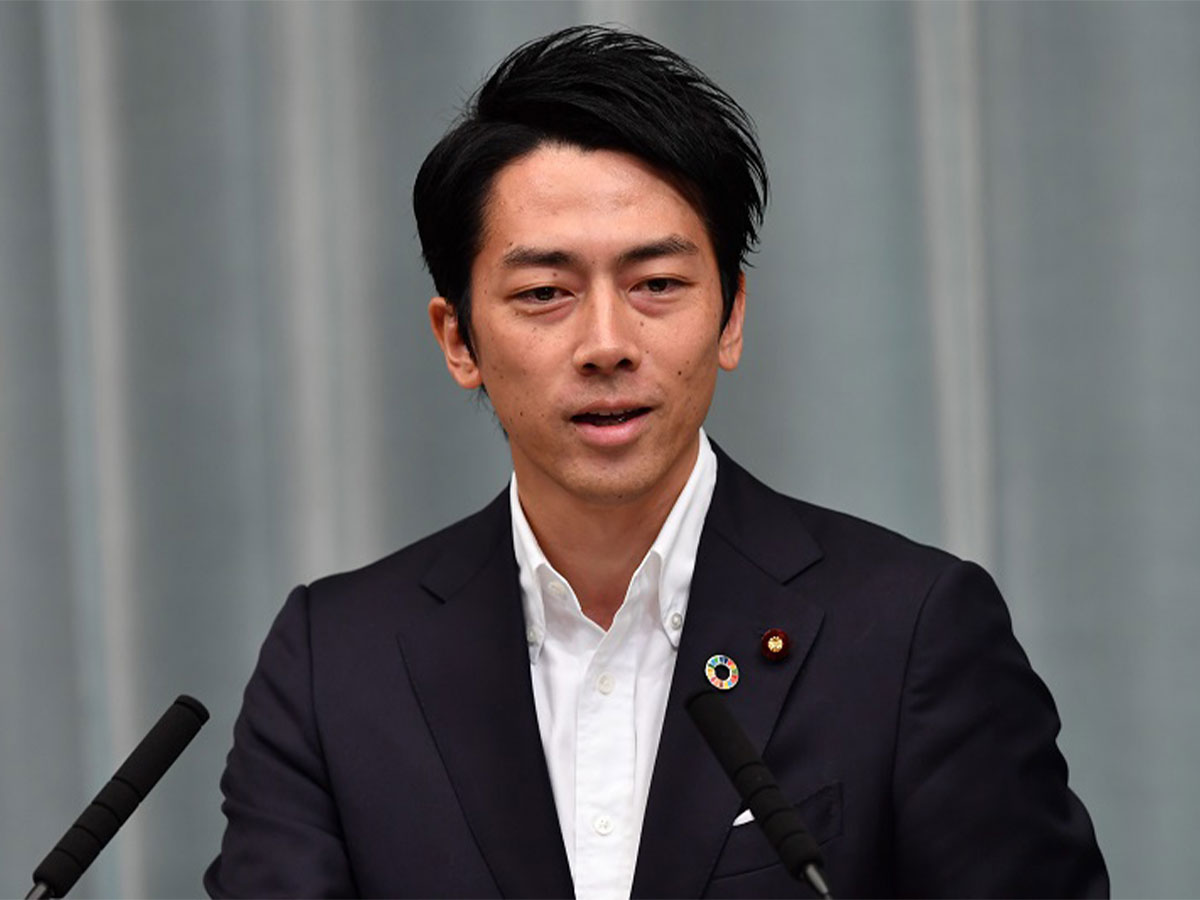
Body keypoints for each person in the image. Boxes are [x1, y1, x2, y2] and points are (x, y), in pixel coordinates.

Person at [205, 25, 1107, 899]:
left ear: (731, 316)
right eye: (545, 292)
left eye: (658, 285)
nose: (607, 343)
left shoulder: (909, 631)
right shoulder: (337, 663)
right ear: (458, 339)